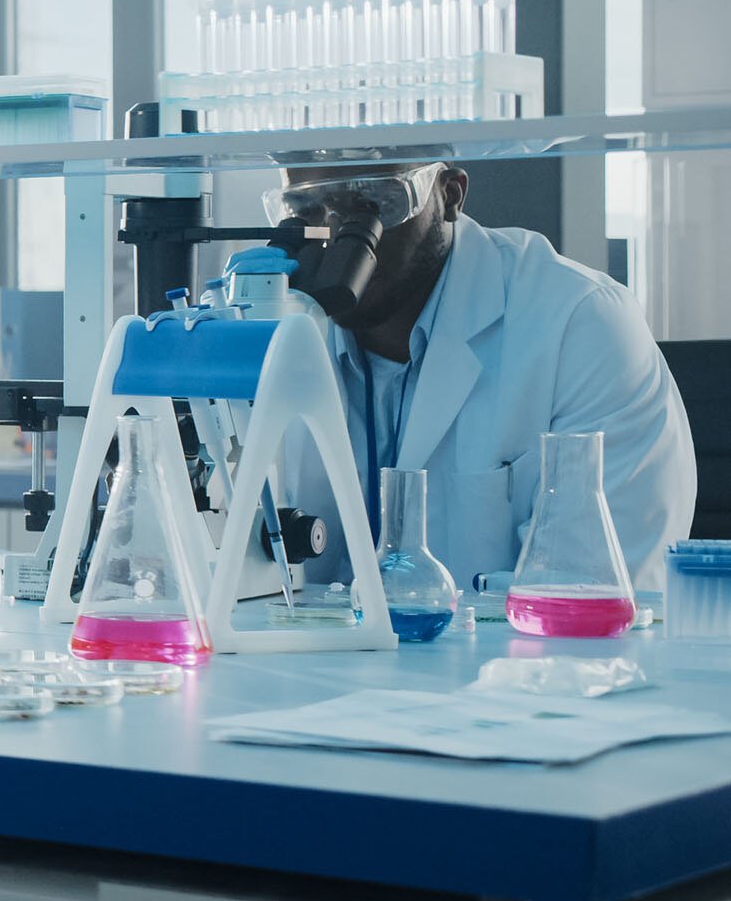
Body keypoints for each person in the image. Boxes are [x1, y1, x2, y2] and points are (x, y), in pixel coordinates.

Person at [272, 161, 694, 592]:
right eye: (307, 207)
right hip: (302, 658)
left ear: (450, 195)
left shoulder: (579, 323)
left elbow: (590, 596)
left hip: (504, 660)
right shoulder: (268, 326)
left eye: (373, 204)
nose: (338, 236)